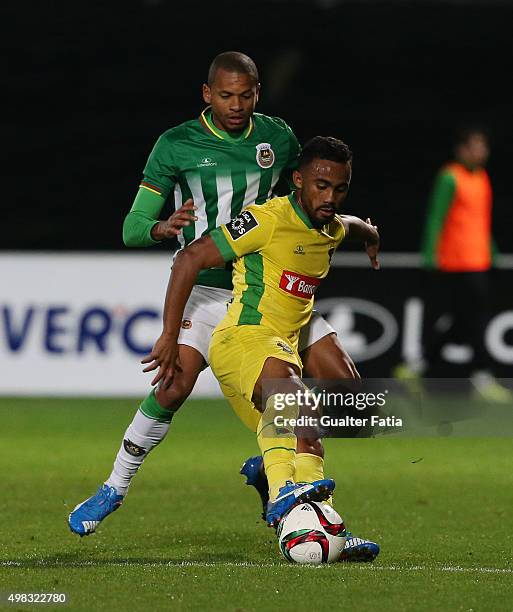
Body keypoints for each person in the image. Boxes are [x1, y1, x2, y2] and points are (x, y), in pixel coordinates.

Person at [68, 52, 378, 559]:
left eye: (246, 95)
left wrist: (358, 226)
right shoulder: (176, 145)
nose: (236, 105)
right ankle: (113, 488)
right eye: (226, 95)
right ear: (207, 94)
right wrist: (158, 228)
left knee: (352, 401)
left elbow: (313, 191)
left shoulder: (278, 140)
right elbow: (131, 228)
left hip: (272, 290)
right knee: (174, 386)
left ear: (258, 93)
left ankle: (273, 465)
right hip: (209, 288)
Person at [142, 136, 380, 529]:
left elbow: (351, 226)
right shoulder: (266, 219)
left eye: (340, 189)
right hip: (244, 336)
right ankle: (285, 491)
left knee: (348, 404)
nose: (331, 197)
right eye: (321, 186)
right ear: (297, 181)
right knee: (296, 406)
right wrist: (170, 335)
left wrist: (371, 234)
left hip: (287, 337)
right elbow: (189, 257)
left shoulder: (331, 228)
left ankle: (318, 521)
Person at [394, 127, 511, 402]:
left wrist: (492, 251)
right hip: (456, 261)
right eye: (475, 146)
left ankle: (414, 367)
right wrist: (429, 254)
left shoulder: (482, 178)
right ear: (461, 150)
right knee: (473, 318)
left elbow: (480, 221)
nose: (481, 152)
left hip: (479, 259)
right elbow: (436, 216)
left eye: (483, 146)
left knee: (462, 319)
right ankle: (481, 375)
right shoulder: (449, 177)